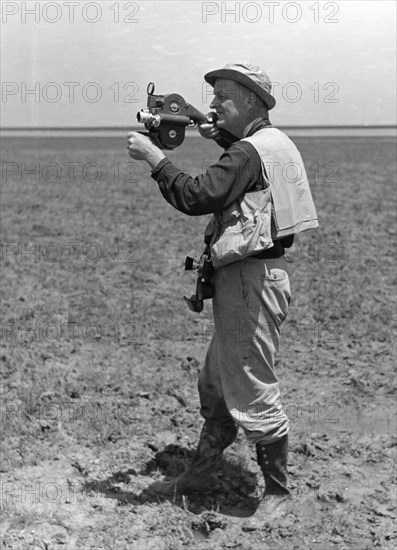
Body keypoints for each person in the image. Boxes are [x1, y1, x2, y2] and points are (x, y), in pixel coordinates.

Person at [127, 62, 318, 529]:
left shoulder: (248, 153)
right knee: (216, 384)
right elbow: (246, 167)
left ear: (251, 101)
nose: (213, 105)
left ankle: (277, 494)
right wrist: (210, 128)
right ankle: (201, 473)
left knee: (251, 385)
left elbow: (197, 195)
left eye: (223, 99)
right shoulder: (271, 143)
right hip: (251, 278)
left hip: (250, 284)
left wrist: (155, 158)